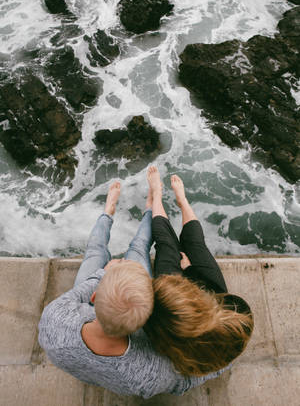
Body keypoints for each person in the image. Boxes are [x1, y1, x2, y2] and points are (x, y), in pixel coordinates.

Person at [38, 175, 229, 399]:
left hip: (89, 314)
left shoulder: (54, 319)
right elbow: (185, 381)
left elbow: (74, 296)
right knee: (138, 249)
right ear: (148, 319)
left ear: (94, 297)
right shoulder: (150, 372)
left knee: (95, 251)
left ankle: (109, 211)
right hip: (116, 314)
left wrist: (103, 273)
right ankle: (149, 208)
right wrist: (224, 362)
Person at [144, 166, 254, 376]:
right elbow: (213, 293)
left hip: (180, 312)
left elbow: (155, 326)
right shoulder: (236, 317)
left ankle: (157, 195)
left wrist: (182, 274)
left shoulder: (171, 332)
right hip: (213, 292)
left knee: (167, 245)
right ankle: (182, 201)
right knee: (195, 243)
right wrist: (191, 270)